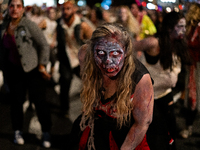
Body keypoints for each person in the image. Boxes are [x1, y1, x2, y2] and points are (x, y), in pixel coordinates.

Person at [68, 23, 154, 150]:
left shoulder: (140, 79)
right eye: (101, 53)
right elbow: (88, 88)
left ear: (126, 52)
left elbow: (142, 124)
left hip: (126, 137)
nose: (108, 60)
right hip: (97, 129)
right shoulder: (85, 56)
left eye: (115, 53)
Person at [134, 11, 191, 150]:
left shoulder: (179, 44)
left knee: (170, 136)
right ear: (169, 27)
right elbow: (128, 48)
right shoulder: (153, 42)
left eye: (185, 26)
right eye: (180, 26)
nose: (184, 30)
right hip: (148, 98)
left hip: (166, 95)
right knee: (153, 137)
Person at [0, 0, 52, 148]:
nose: (14, 9)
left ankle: (46, 132)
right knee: (16, 103)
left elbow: (43, 44)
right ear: (8, 8)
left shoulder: (29, 25)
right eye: (12, 6)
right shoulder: (3, 26)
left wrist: (42, 64)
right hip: (14, 71)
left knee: (39, 103)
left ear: (23, 9)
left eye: (18, 6)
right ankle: (17, 131)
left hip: (32, 70)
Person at [56, 0, 94, 117]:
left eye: (68, 9)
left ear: (73, 10)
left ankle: (92, 108)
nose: (65, 11)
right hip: (66, 59)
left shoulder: (82, 25)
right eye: (63, 9)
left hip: (80, 60)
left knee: (89, 84)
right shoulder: (59, 24)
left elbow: (94, 40)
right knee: (65, 82)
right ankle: (64, 109)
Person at [179, 2, 200, 139]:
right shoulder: (191, 28)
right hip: (192, 66)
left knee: (194, 97)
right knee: (192, 97)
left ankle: (189, 127)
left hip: (196, 66)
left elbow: (191, 44)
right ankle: (189, 127)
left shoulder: (195, 28)